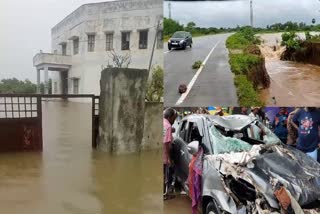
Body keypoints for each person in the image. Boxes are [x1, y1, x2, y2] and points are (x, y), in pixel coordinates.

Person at [163, 108, 177, 200]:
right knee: (165, 175)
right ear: (170, 117)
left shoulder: (163, 123)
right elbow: (166, 144)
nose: (174, 120)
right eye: (174, 118)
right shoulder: (168, 127)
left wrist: (170, 130)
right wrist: (169, 158)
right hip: (164, 155)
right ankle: (164, 195)